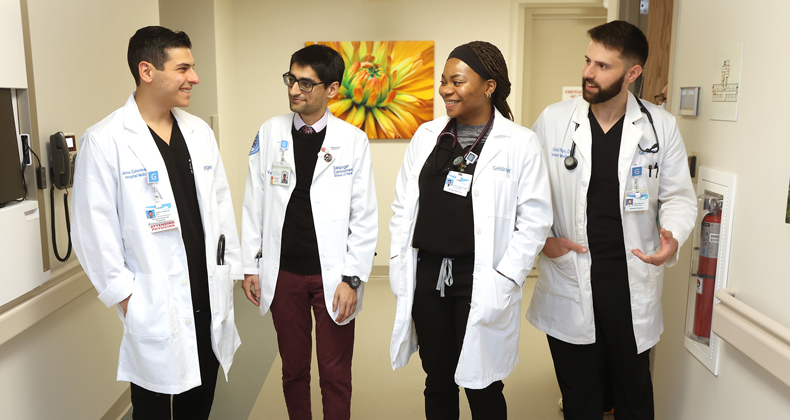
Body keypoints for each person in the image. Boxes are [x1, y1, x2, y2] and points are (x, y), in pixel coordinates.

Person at [526, 21, 697, 419]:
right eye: (588, 61)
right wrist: (544, 241)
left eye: (603, 66)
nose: (588, 72)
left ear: (632, 73)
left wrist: (671, 238)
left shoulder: (660, 126)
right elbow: (526, 196)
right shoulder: (553, 121)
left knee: (634, 391)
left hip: (629, 279)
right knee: (579, 394)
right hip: (571, 274)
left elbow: (678, 198)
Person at [71, 26, 242, 420]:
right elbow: (91, 231)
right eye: (183, 68)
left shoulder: (198, 132)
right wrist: (130, 299)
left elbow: (220, 208)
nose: (195, 78)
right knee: (151, 408)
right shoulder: (106, 140)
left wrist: (231, 267)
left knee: (199, 404)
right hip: (154, 300)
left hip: (207, 293)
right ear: (147, 71)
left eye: (193, 67)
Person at [389, 41, 553, 420]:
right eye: (443, 81)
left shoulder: (520, 143)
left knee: (483, 384)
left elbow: (535, 221)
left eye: (457, 81)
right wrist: (399, 261)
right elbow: (403, 205)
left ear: (489, 86)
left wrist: (507, 277)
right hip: (429, 274)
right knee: (438, 379)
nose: (446, 89)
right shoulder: (427, 136)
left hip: (480, 276)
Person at [240, 44, 378, 420]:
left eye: (305, 82)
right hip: (283, 274)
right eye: (291, 79)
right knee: (293, 370)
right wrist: (250, 266)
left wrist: (352, 278)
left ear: (331, 89)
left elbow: (364, 215)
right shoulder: (269, 132)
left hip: (332, 276)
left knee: (335, 373)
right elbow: (254, 202)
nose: (293, 90)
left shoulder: (352, 141)